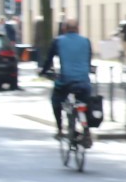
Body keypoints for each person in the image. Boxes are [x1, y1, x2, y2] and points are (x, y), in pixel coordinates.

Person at [39, 18, 93, 146]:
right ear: (78, 29)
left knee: (55, 100)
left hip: (66, 81)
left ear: (64, 29)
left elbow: (49, 59)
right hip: (84, 82)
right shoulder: (86, 41)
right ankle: (86, 130)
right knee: (85, 103)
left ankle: (59, 129)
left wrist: (44, 71)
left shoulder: (58, 41)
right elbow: (88, 60)